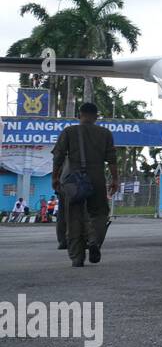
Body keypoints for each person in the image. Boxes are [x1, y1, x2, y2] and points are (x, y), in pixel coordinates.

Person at [51, 104, 118, 267]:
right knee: (100, 213)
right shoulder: (105, 134)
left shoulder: (69, 132)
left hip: (73, 179)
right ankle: (94, 241)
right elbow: (112, 160)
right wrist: (115, 180)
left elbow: (58, 157)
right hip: (97, 178)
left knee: (74, 216)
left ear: (79, 115)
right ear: (96, 116)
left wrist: (55, 178)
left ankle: (77, 257)